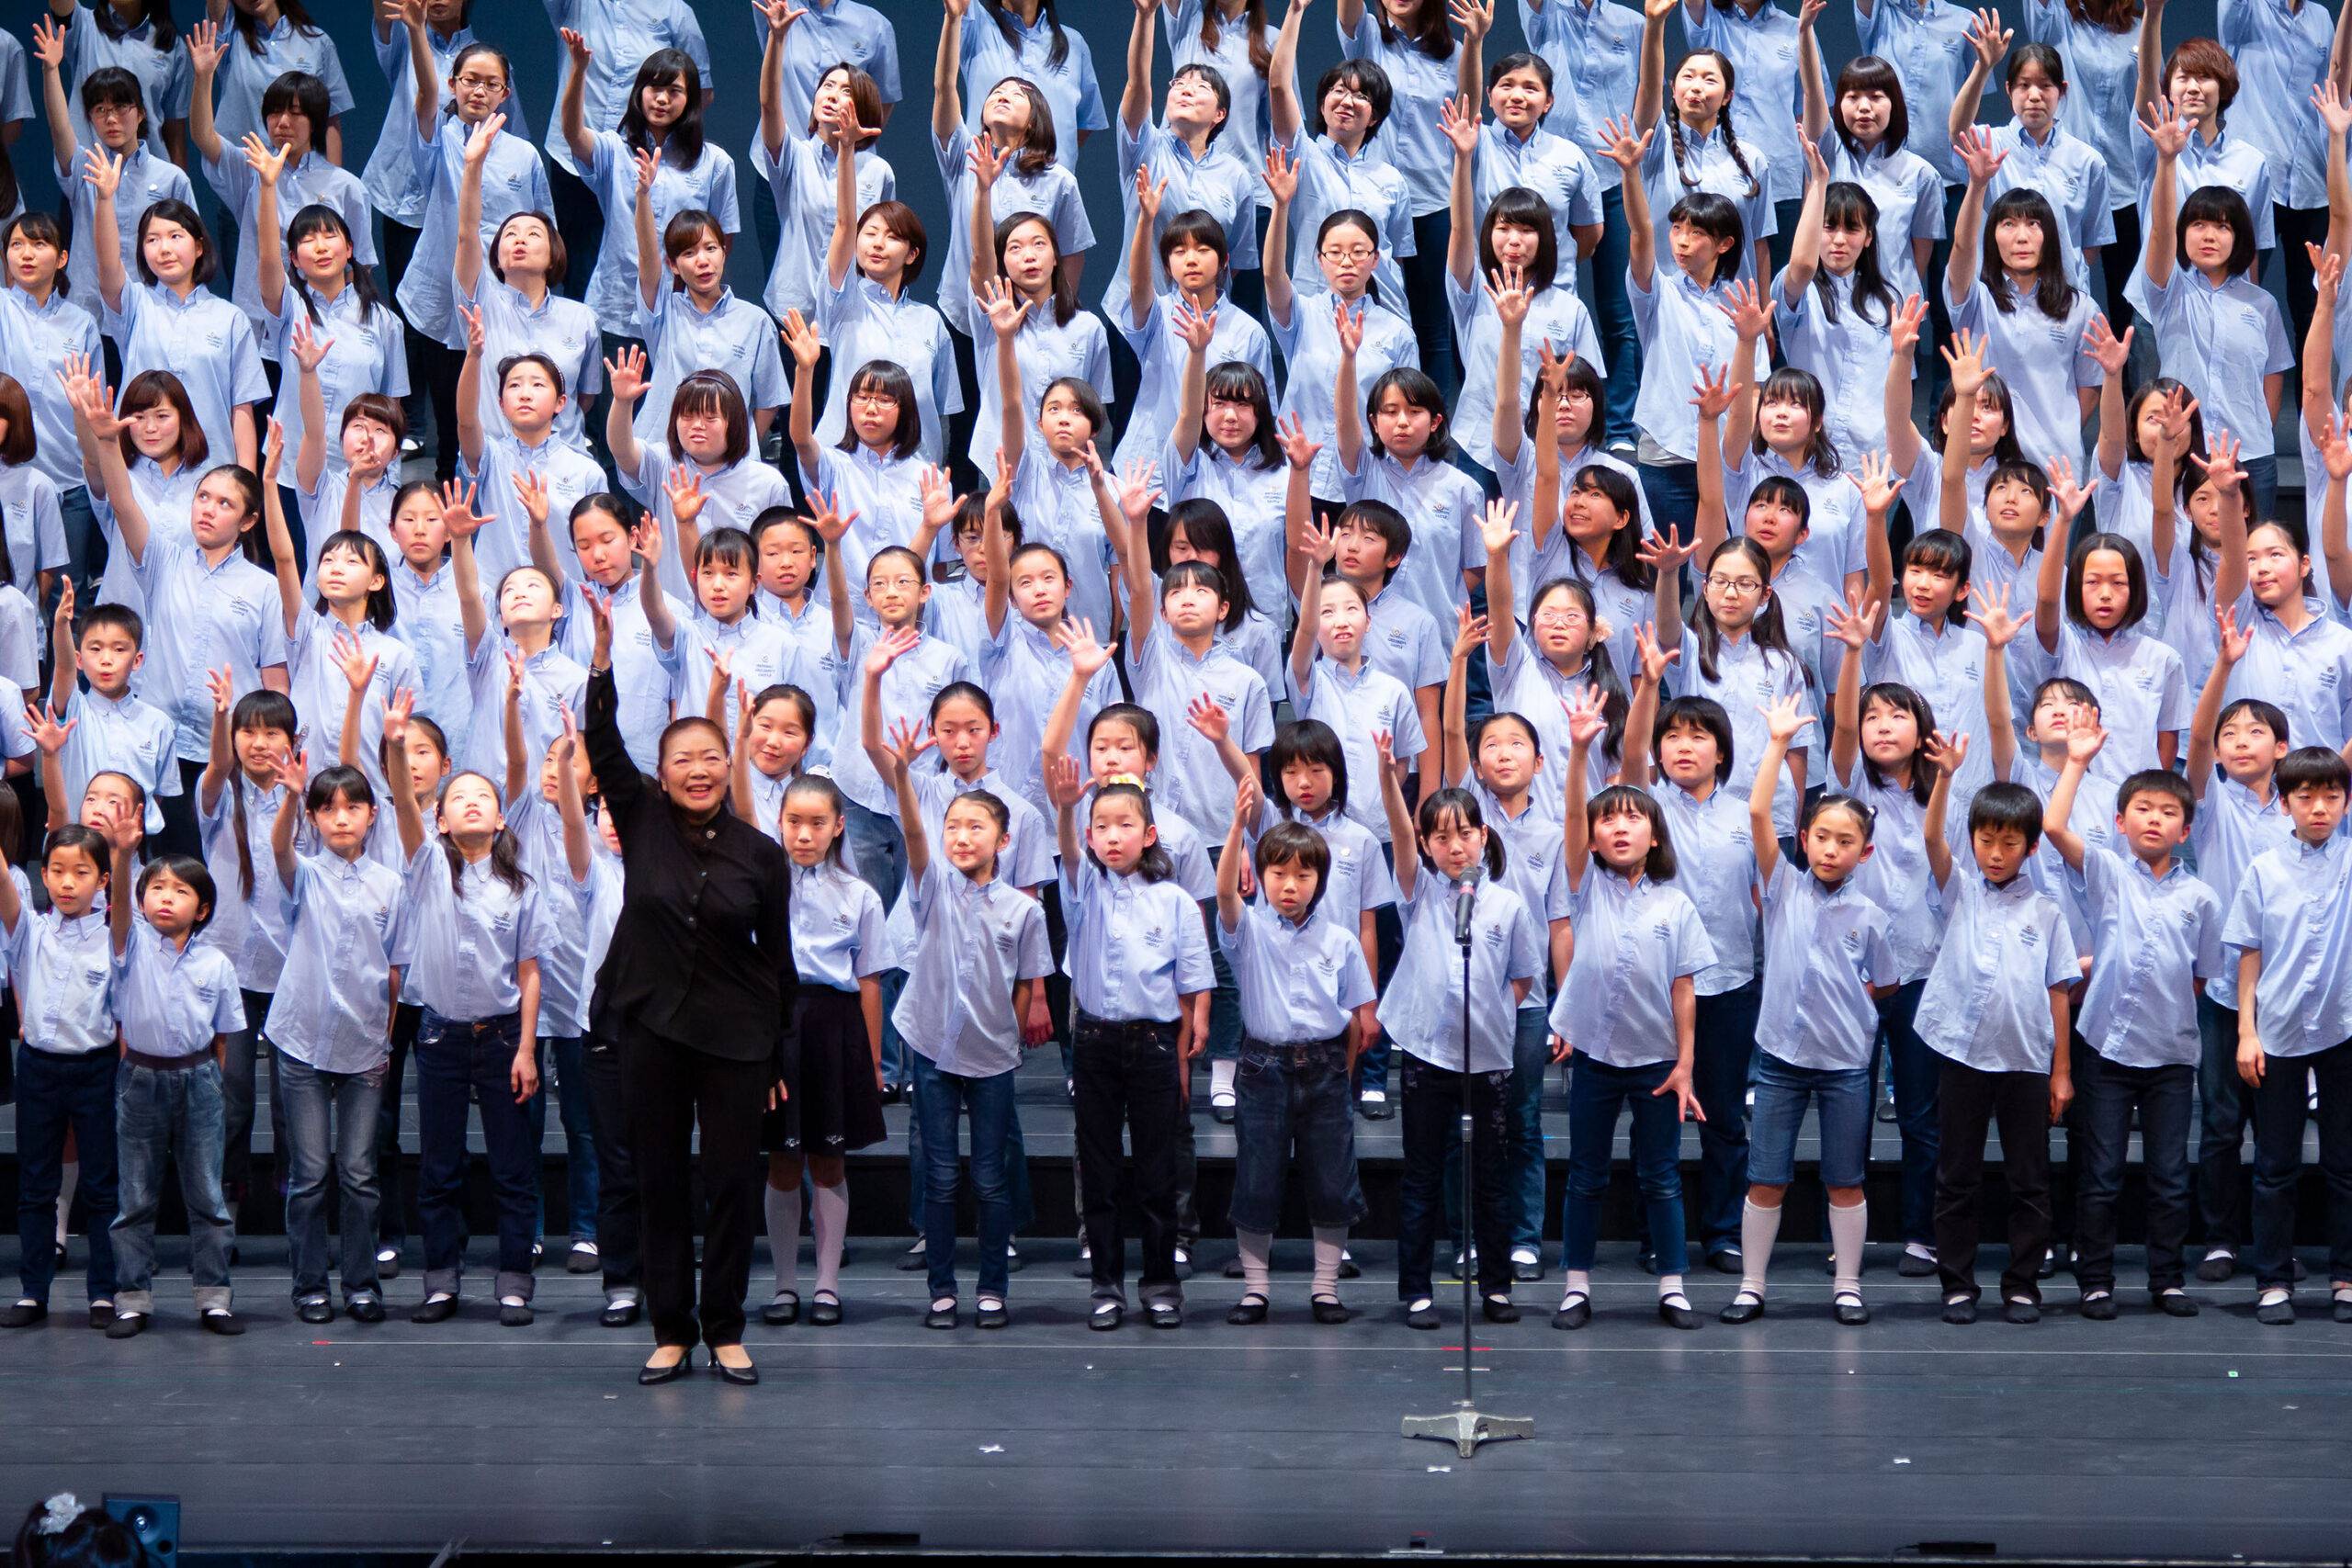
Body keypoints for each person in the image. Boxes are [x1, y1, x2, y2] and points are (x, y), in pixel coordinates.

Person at [582, 583, 797, 1382]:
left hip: (739, 1037)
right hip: (651, 1028)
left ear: (728, 763)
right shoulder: (638, 819)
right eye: (683, 760)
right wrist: (603, 658)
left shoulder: (762, 854)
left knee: (734, 1183)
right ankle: (671, 1326)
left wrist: (777, 1055)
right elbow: (599, 738)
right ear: (661, 774)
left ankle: (727, 1325)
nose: (699, 770)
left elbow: (780, 962)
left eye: (712, 756)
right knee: (662, 1179)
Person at [1724, 695, 1897, 1325]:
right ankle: (1752, 1284)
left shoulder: (1872, 917)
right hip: (1779, 1059)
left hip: (1847, 1063)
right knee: (1766, 1176)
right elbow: (1754, 810)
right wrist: (1776, 742)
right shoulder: (1783, 886)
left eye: (1845, 840)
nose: (1831, 848)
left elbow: (1883, 985)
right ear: (1805, 839)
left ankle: (1847, 1284)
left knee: (1843, 1178)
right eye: (1821, 836)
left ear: (1865, 852)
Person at [382, 685, 550, 1330]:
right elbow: (402, 799)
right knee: (440, 1166)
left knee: (512, 1166)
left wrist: (530, 1047)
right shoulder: (427, 865)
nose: (472, 802)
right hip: (441, 1036)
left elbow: (530, 972)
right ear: (443, 820)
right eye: (459, 799)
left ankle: (514, 1280)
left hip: (505, 1034)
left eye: (484, 796)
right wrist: (398, 744)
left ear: (501, 817)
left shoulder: (521, 885)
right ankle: (441, 1279)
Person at [2041, 724, 2220, 1319]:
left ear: (2185, 830)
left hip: (2170, 1056)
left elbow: (2199, 978)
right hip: (2108, 1055)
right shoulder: (2110, 874)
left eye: (2168, 812)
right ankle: (2095, 1278)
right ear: (2121, 822)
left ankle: (2166, 1278)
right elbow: (2054, 826)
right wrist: (2077, 761)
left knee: (2169, 1176)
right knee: (2102, 1173)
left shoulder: (2202, 899)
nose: (2153, 819)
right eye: (2142, 808)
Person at [882, 713, 1052, 1329]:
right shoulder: (931, 887)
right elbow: (913, 832)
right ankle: (942, 1289)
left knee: (989, 1176)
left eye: (975, 826)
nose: (960, 835)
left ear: (1002, 841)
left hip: (991, 1056)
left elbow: (1029, 984)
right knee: (941, 1174)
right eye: (953, 825)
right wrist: (904, 776)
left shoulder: (1021, 911)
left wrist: (1006, 1036)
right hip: (930, 1047)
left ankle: (993, 1288)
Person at [1553, 689, 1713, 1329]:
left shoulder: (1675, 904)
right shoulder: (1582, 884)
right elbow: (1570, 813)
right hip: (1595, 1056)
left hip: (1657, 1063)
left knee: (1662, 1177)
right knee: (1586, 1175)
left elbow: (1684, 989)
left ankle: (1673, 1284)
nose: (1619, 826)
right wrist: (1580, 750)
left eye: (1632, 818)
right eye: (1607, 820)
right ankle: (1576, 1284)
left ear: (1654, 835)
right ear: (1591, 840)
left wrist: (1686, 1064)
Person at [1048, 752, 1215, 1331]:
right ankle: (1107, 1286)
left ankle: (1161, 1283)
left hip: (1153, 1046)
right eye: (1101, 827)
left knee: (1156, 1169)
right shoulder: (1081, 889)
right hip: (1094, 1042)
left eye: (1125, 826)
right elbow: (1067, 854)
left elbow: (1192, 979)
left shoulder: (1173, 901)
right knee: (1097, 1168)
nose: (1111, 836)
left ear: (1148, 835)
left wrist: (1191, 1039)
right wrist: (1068, 810)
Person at [1918, 756, 2079, 1325]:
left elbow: (2058, 989)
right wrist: (1943, 778)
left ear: (2031, 847)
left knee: (2029, 1180)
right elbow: (1932, 835)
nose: (1994, 852)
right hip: (1962, 1056)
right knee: (1956, 1176)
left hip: (2026, 1061)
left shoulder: (2047, 911)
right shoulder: (1958, 890)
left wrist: (2061, 1070)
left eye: (2008, 842)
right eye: (1986, 840)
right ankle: (1957, 1284)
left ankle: (2022, 1285)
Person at [1217, 769, 1375, 1324]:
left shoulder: (1341, 940)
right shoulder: (1251, 932)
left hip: (1326, 1068)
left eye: (1303, 875)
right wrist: (1238, 829)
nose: (1290, 884)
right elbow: (1223, 897)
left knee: (1332, 1178)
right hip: (1264, 1067)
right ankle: (1256, 1289)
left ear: (1320, 882)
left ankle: (1325, 1288)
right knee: (1257, 1177)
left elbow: (1355, 1019)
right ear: (1259, 877)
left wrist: (1342, 1069)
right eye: (1278, 873)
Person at [99, 796, 245, 1339]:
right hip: (139, 1078)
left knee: (207, 1195)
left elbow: (225, 1037)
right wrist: (121, 856)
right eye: (157, 888)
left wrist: (208, 1077)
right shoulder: (129, 944)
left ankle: (213, 1296)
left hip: (199, 1078)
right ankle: (132, 1297)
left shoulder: (217, 963)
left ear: (202, 909)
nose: (167, 897)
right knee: (135, 1195)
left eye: (181, 890)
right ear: (140, 903)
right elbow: (117, 905)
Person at [266, 757, 402, 1326]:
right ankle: (309, 1287)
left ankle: (362, 1284)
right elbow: (278, 852)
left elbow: (396, 969)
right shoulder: (307, 871)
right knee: (310, 1174)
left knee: (359, 1172)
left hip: (364, 1044)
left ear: (372, 815)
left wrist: (386, 1041)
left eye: (352, 807)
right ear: (316, 818)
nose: (340, 818)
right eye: (328, 809)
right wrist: (291, 799)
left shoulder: (390, 884)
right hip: (301, 1038)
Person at [0, 823, 119, 1333]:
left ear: (104, 881)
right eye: (57, 872)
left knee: (101, 1186)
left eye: (82, 873)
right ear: (42, 876)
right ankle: (33, 1290)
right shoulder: (30, 928)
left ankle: (104, 1291)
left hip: (95, 1069)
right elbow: (5, 890)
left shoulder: (115, 936)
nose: (68, 883)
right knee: (36, 1184)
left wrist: (128, 851)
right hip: (40, 1069)